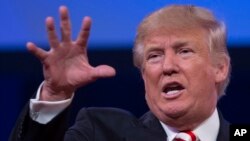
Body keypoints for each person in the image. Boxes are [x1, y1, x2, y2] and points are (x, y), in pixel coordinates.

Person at [9, 4, 231, 141]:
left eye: (184, 51)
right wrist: (55, 94)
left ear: (220, 68)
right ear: (144, 75)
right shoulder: (101, 132)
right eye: (154, 56)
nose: (167, 66)